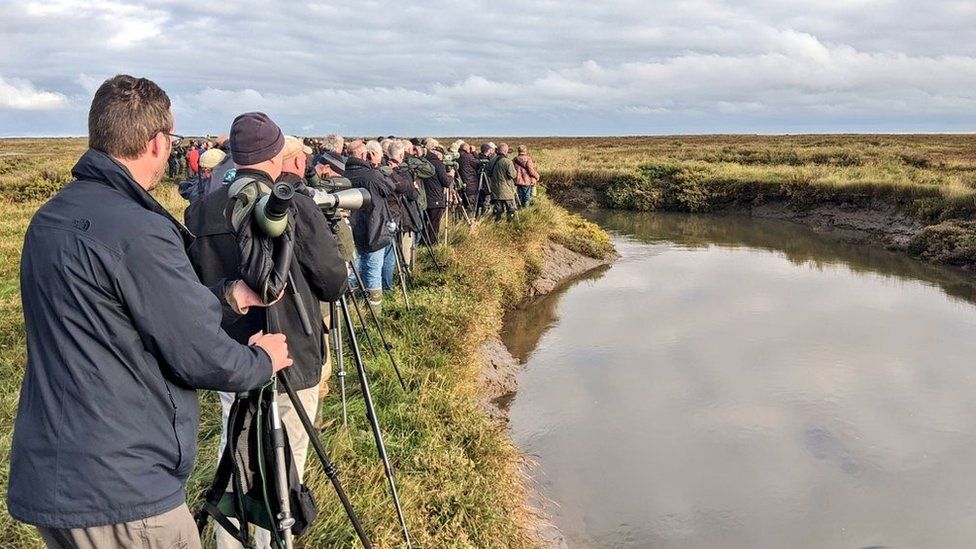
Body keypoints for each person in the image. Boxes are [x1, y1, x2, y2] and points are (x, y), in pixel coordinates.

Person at [8, 75, 292, 549]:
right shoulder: (138, 229)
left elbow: (116, 316)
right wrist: (261, 361)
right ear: (158, 141)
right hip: (124, 486)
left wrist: (229, 297)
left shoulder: (52, 217)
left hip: (54, 475)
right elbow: (198, 354)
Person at [185, 118, 348, 549]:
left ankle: (232, 540)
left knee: (233, 448)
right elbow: (332, 282)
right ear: (277, 156)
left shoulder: (201, 211)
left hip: (230, 354)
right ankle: (277, 536)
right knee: (286, 455)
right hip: (293, 356)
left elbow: (197, 285)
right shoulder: (298, 205)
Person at [346, 140, 395, 314]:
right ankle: (375, 314)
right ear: (364, 155)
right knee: (373, 270)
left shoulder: (342, 174)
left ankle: (353, 309)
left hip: (351, 229)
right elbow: (390, 188)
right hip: (373, 227)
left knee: (354, 270)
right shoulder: (372, 175)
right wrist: (377, 166)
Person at [379, 140, 419, 290]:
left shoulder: (381, 168)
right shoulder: (402, 172)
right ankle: (399, 277)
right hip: (399, 215)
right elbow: (412, 195)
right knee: (393, 251)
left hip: (387, 215)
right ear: (401, 155)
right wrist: (412, 186)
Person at [421, 138, 454, 243]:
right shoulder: (438, 164)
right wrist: (451, 176)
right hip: (436, 197)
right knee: (434, 224)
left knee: (425, 223)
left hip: (425, 197)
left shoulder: (424, 162)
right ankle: (432, 244)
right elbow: (445, 182)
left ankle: (423, 243)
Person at [488, 142, 517, 222]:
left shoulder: (491, 161)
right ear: (505, 151)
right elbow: (513, 175)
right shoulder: (507, 162)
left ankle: (497, 223)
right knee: (510, 209)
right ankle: (509, 224)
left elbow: (488, 173)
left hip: (495, 189)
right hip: (506, 190)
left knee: (498, 209)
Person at [458, 142, 481, 211]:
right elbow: (478, 163)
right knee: (471, 203)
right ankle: (471, 219)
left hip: (460, 183)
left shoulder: (457, 156)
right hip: (470, 184)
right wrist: (474, 152)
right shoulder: (468, 157)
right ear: (467, 149)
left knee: (463, 203)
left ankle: (461, 219)